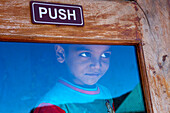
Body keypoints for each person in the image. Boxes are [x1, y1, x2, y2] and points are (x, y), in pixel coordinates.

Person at [31, 44, 115, 113]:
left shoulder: (105, 93)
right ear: (61, 53)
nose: (97, 65)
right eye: (85, 54)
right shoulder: (52, 105)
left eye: (105, 55)